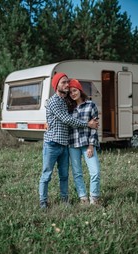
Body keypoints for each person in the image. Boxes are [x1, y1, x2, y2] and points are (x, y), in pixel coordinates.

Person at [39, 72, 98, 208]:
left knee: (64, 175)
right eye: (63, 82)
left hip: (65, 145)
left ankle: (64, 201)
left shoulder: (66, 101)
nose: (66, 85)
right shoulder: (54, 101)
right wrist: (87, 124)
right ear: (56, 85)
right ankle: (43, 202)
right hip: (52, 144)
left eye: (67, 82)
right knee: (46, 174)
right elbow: (67, 119)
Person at [67, 79, 100, 205]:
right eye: (70, 92)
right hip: (73, 144)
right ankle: (83, 198)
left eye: (74, 90)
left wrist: (91, 145)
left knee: (95, 171)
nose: (73, 94)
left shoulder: (91, 105)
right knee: (77, 173)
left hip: (87, 144)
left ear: (80, 90)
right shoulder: (69, 109)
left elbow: (94, 127)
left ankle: (94, 198)